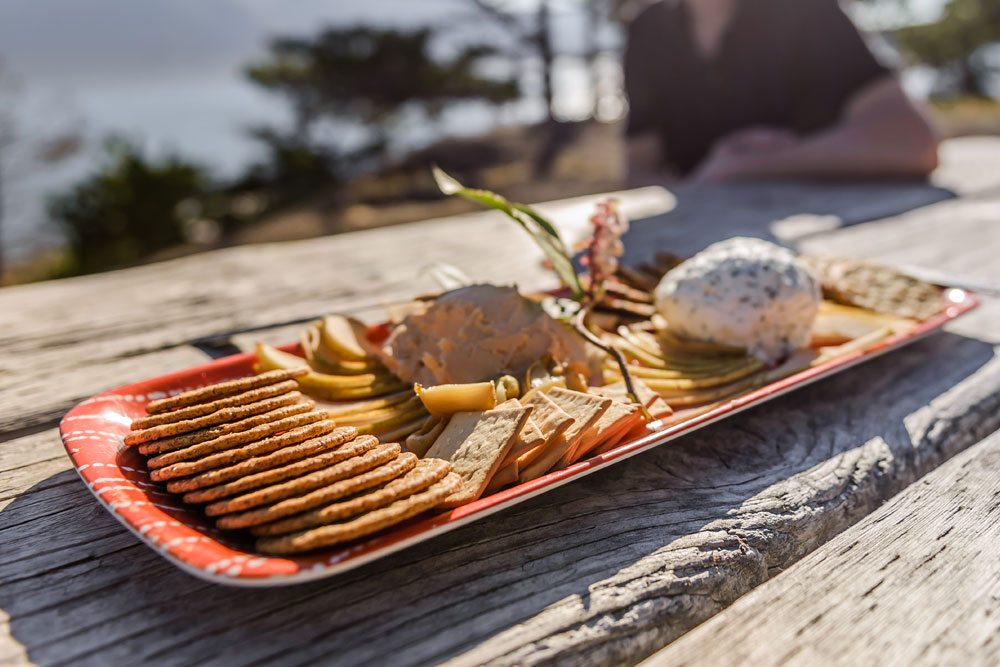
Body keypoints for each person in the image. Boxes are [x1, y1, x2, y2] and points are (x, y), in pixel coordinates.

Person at [623, 0, 940, 184]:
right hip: (696, 242)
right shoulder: (647, 30)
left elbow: (914, 142)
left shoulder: (804, 11)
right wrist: (697, 188)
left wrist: (756, 164)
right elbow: (638, 167)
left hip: (829, 234)